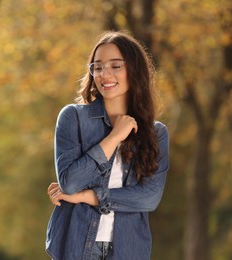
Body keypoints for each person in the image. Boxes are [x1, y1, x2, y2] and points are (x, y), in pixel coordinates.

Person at [45, 31, 169, 260]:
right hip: (76, 244)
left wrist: (86, 196)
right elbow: (70, 183)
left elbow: (149, 197)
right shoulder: (73, 118)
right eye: (98, 67)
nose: (105, 74)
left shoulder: (156, 132)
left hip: (129, 249)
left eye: (115, 66)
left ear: (134, 70)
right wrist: (114, 138)